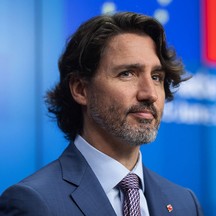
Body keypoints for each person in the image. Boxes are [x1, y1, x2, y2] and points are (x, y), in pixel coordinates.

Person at [0, 12, 203, 216]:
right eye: (127, 74)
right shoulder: (34, 203)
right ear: (81, 89)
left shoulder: (185, 203)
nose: (149, 93)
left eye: (156, 77)